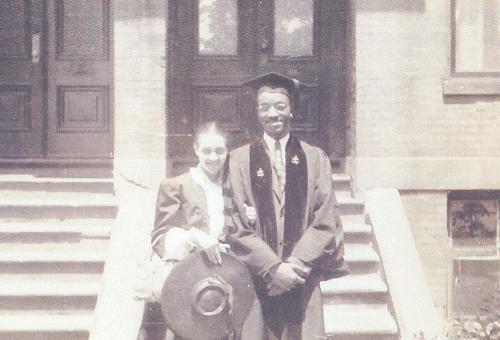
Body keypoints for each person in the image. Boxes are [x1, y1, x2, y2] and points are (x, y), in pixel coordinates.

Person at [225, 73, 348, 340]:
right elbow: (236, 225)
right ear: (257, 112)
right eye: (264, 107)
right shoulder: (239, 160)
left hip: (301, 279)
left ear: (292, 109)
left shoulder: (314, 158)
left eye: (280, 106)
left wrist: (294, 264)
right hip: (259, 281)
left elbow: (326, 219)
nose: (273, 114)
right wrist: (274, 268)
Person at [138, 121, 231, 340]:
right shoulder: (176, 185)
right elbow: (160, 239)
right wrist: (193, 237)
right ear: (196, 150)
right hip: (184, 280)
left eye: (220, 151)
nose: (213, 157)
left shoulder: (232, 186)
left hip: (222, 282)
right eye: (207, 151)